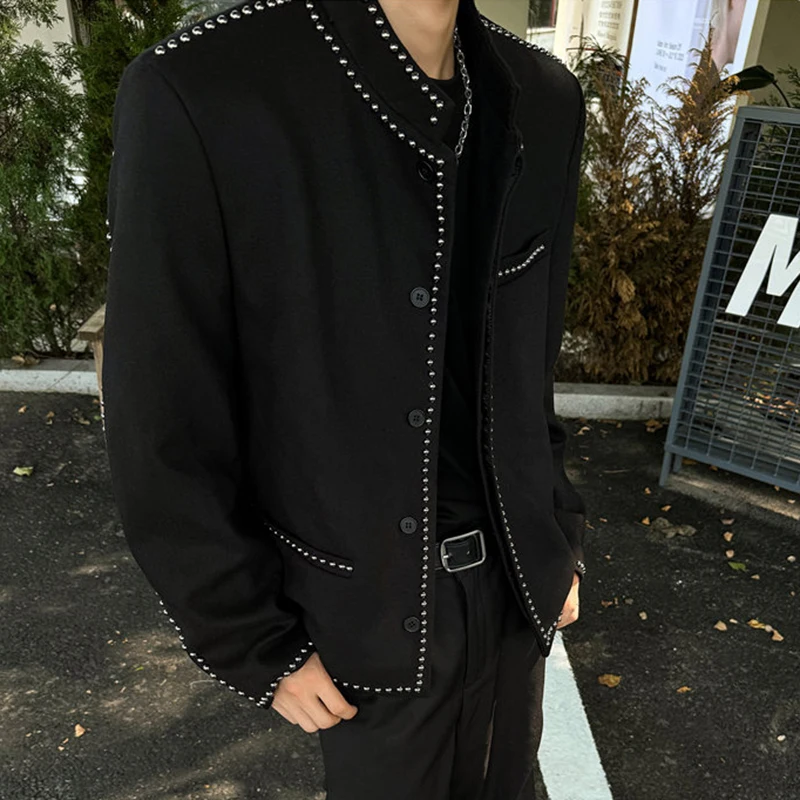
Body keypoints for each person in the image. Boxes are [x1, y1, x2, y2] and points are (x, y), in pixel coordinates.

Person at [101, 0, 588, 798]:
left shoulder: (543, 95)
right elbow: (162, 412)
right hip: (362, 611)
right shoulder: (204, 88)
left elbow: (529, 361)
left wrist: (556, 533)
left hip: (513, 591)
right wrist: (251, 639)